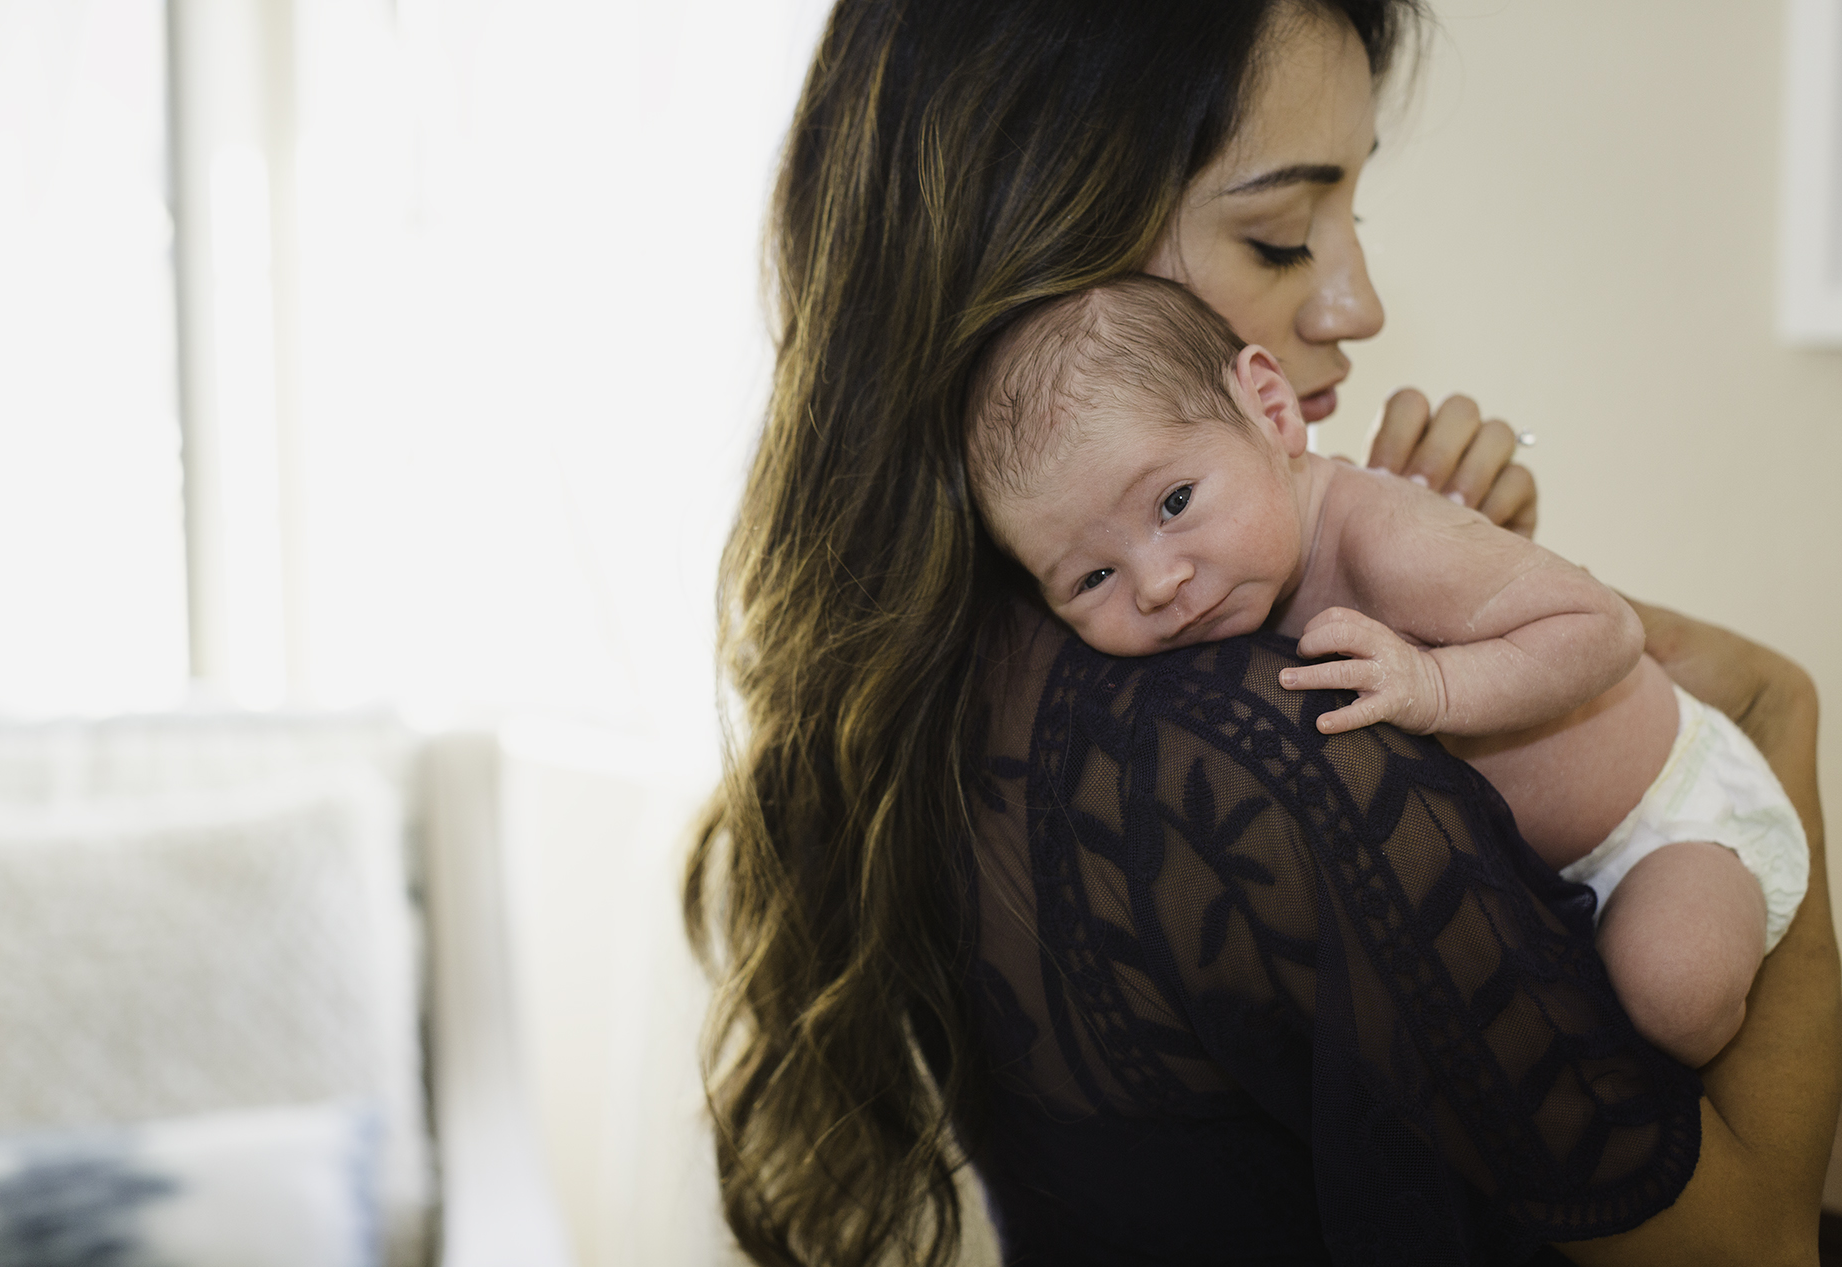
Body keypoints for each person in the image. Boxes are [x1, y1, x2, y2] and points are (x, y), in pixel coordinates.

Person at [684, 2, 1840, 1264]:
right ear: (1038, 232)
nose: (1356, 303)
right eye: (1281, 235)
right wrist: (1772, 710)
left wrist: (1446, 594)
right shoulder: (1268, 754)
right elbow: (1756, 1244)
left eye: (1355, 217)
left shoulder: (940, 682)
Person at [966, 273, 1807, 1069]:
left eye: (1175, 501)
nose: (1157, 585)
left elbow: (1604, 628)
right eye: (1091, 578)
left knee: (1675, 995)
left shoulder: (1386, 539)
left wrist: (1435, 685)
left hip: (1667, 813)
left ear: (1269, 410)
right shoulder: (1231, 591)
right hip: (1556, 873)